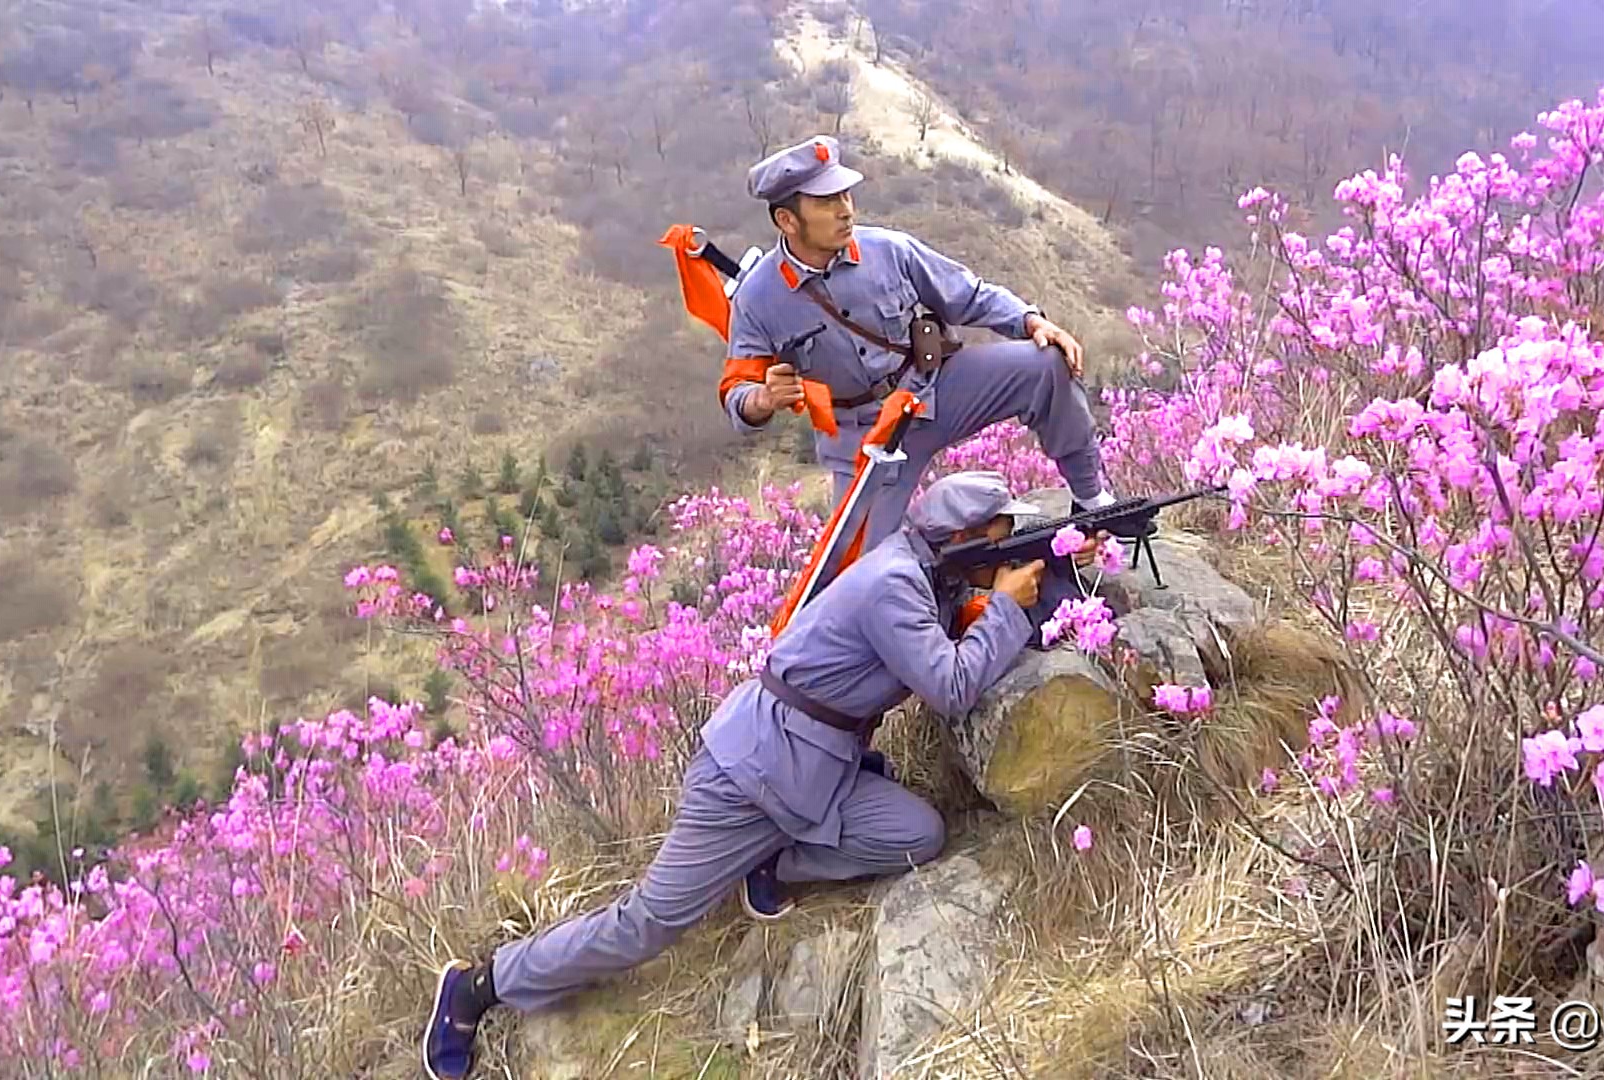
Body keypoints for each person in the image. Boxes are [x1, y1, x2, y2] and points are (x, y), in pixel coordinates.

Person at [420, 472, 1103, 1080]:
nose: (1005, 544)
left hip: (816, 766)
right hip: (747, 773)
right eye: (998, 533)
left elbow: (972, 625)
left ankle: (771, 862)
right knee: (649, 923)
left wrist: (1064, 571)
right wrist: (1009, 606)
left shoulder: (931, 573)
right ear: (962, 536)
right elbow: (952, 683)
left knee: (916, 835)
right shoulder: (893, 585)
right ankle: (481, 986)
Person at [715, 134, 1122, 596]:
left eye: (846, 195)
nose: (846, 209)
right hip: (864, 438)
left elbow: (967, 295)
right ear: (787, 220)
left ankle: (1093, 499)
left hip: (931, 391)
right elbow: (736, 394)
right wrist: (763, 399)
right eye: (828, 202)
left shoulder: (889, 251)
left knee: (1046, 363)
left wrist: (1029, 320)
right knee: (861, 580)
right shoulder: (757, 299)